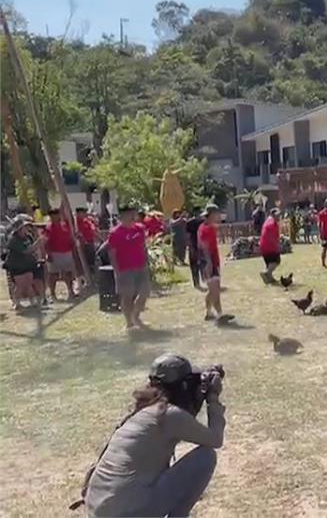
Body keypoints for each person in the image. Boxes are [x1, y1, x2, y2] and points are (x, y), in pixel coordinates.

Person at [80, 354, 224, 517]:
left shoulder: (144, 411)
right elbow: (215, 439)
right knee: (206, 456)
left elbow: (184, 421)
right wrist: (213, 397)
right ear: (183, 386)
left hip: (98, 509)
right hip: (128, 513)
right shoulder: (169, 415)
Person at [107, 205, 151, 329]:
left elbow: (143, 247)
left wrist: (147, 261)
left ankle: (135, 316)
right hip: (124, 269)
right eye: (130, 215)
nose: (133, 217)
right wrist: (116, 270)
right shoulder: (115, 233)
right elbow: (112, 253)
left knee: (144, 293)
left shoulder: (140, 229)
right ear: (122, 217)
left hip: (141, 266)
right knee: (127, 296)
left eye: (134, 214)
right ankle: (129, 322)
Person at [198, 205, 234, 324]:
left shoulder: (210, 227)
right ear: (212, 214)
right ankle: (220, 315)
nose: (219, 215)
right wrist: (208, 263)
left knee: (213, 290)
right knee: (215, 290)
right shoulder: (205, 229)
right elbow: (204, 247)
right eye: (217, 213)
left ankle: (209, 313)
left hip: (213, 261)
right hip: (208, 262)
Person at [3, 215, 44, 308]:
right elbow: (26, 251)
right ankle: (16, 303)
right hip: (16, 266)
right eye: (24, 227)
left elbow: (32, 250)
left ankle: (33, 302)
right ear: (18, 229)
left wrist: (36, 258)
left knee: (29, 283)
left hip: (27, 265)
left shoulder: (28, 237)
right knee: (20, 285)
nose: (26, 229)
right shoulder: (13, 240)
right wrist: (38, 243)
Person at [44, 208, 78, 301]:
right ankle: (52, 294)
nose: (55, 217)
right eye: (53, 215)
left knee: (68, 274)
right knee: (53, 275)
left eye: (57, 214)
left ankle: (71, 291)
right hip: (55, 253)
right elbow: (46, 242)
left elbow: (70, 237)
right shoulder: (48, 228)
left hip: (67, 252)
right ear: (51, 217)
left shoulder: (65, 225)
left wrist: (73, 245)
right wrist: (48, 254)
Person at [75, 206, 102, 280]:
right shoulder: (75, 223)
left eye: (85, 212)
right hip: (82, 245)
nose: (85, 214)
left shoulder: (87, 221)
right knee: (83, 262)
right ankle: (83, 278)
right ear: (78, 213)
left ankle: (92, 277)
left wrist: (101, 239)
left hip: (90, 243)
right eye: (83, 212)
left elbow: (93, 231)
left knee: (91, 261)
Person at [259, 208, 282, 284]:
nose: (278, 217)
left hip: (263, 246)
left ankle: (269, 279)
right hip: (270, 246)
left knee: (269, 263)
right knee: (276, 261)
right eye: (277, 215)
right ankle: (266, 273)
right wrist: (277, 245)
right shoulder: (273, 223)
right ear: (273, 215)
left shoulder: (267, 221)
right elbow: (272, 236)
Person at [185, 207, 204, 290]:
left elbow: (187, 235)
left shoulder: (189, 222)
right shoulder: (202, 222)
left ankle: (196, 282)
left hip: (193, 244)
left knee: (194, 265)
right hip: (199, 244)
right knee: (201, 264)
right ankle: (201, 280)